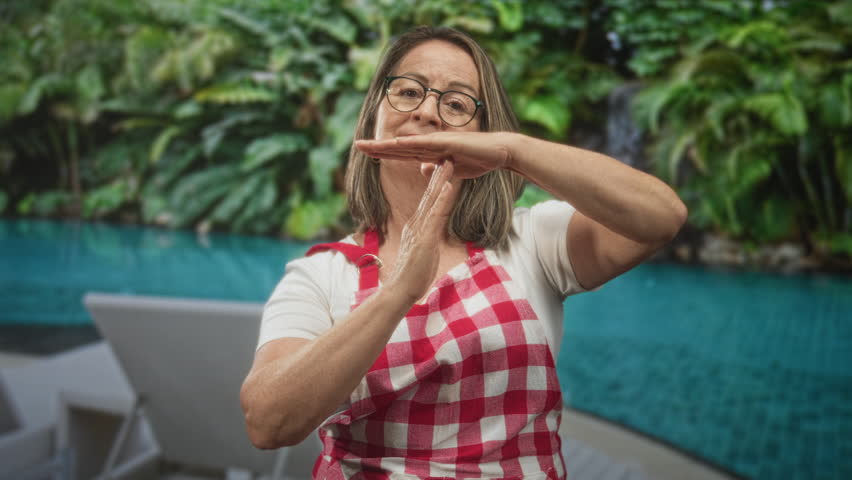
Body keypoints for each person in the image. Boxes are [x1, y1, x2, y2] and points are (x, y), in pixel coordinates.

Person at [240, 26, 687, 479]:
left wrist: (513, 150)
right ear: (374, 114)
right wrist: (398, 293)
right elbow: (268, 421)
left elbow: (661, 216)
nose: (429, 111)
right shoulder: (321, 275)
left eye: (456, 104)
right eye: (409, 91)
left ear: (482, 136)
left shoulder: (531, 241)